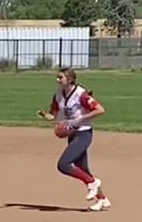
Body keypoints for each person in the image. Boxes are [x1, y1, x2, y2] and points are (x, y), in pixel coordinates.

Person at [38, 68, 111, 211]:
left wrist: (81, 119)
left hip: (83, 134)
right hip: (72, 134)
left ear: (70, 79)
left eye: (60, 77)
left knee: (63, 165)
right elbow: (53, 114)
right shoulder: (58, 94)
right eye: (57, 77)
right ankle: (102, 199)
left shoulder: (80, 94)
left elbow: (100, 110)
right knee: (83, 169)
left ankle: (93, 183)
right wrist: (47, 116)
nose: (57, 80)